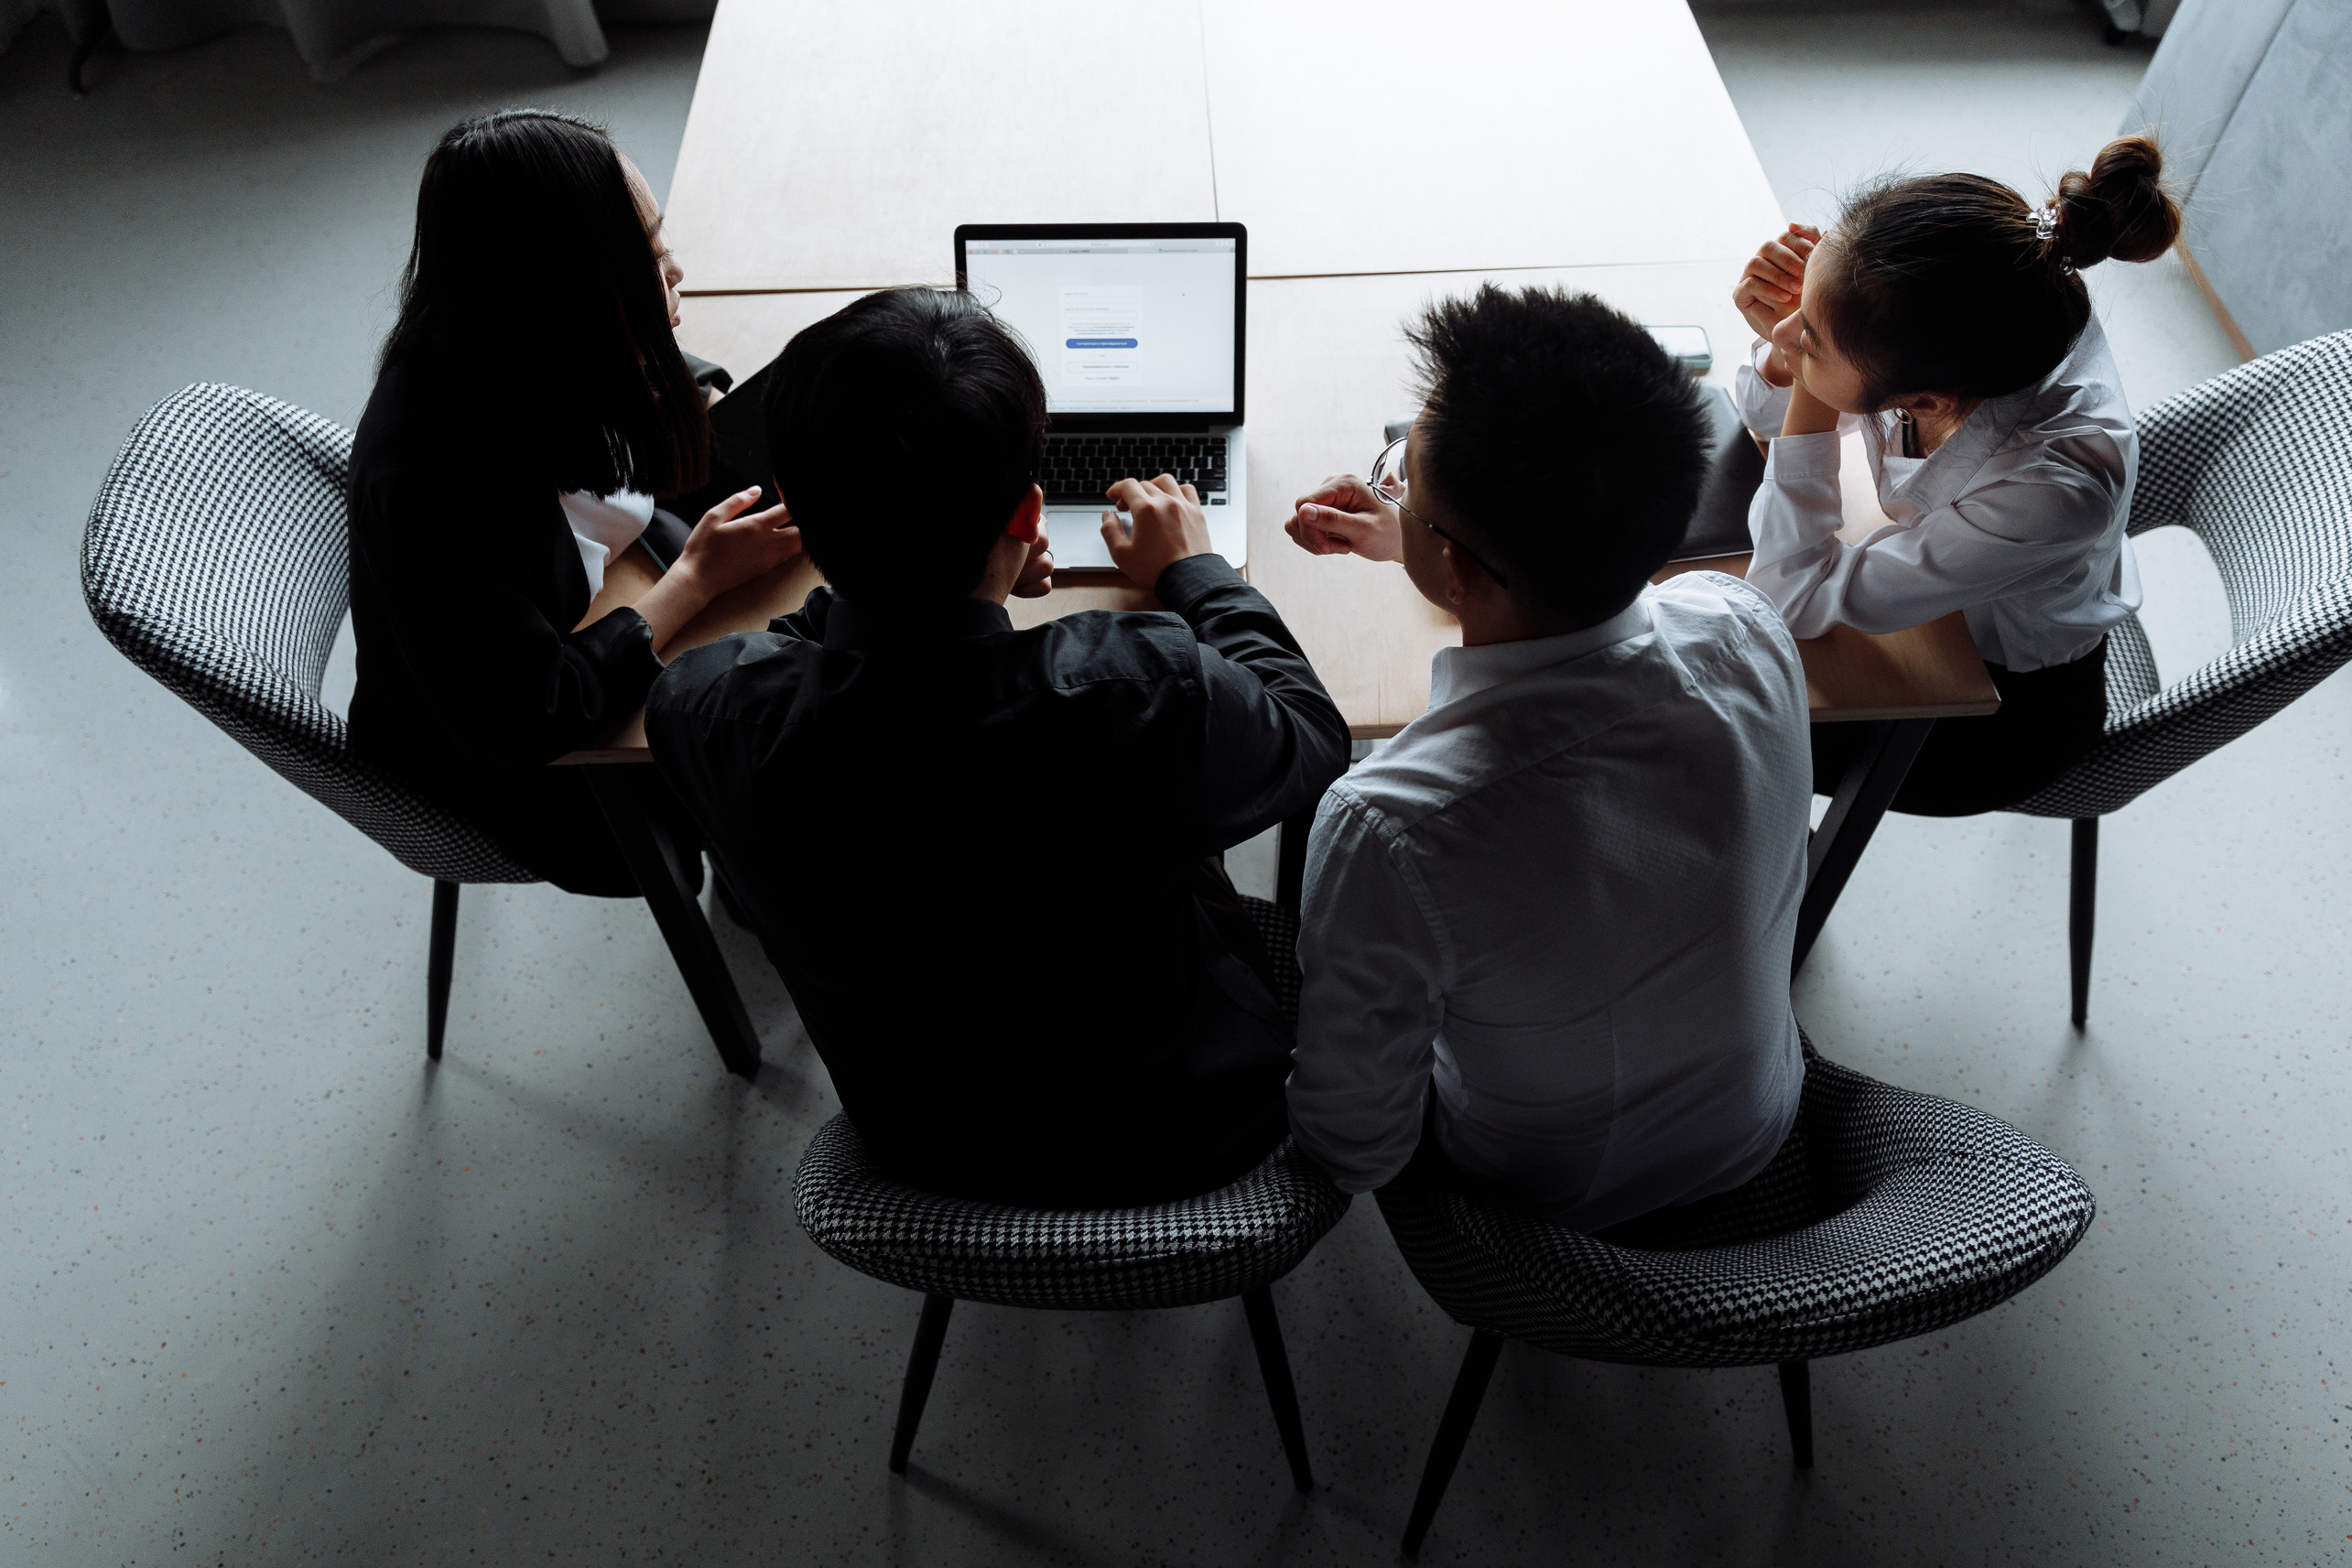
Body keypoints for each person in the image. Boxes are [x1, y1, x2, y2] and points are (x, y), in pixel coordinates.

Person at [645, 287, 1349, 1208]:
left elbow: (793, 659)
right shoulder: (1140, 685)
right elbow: (1311, 736)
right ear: (1027, 515)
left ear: (798, 515)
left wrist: (928, 594)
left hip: (923, 1149)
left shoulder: (704, 709)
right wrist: (1194, 571)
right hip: (1189, 1131)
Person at [1280, 286, 1813, 1229]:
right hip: (1757, 1125)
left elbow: (1356, 1147)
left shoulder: (1389, 824)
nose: (1394, 498)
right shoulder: (1742, 626)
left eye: (1404, 489)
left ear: (1457, 570)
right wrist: (1420, 545)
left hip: (1543, 1200)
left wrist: (1437, 553)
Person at [347, 108, 802, 895]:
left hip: (605, 595)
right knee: (805, 747)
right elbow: (537, 712)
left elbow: (652, 409)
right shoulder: (431, 486)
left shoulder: (518, 342)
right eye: (649, 257)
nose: (677, 273)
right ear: (566, 293)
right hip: (551, 777)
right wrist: (693, 581)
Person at [1730, 135, 2183, 814]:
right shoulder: (2002, 298)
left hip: (2003, 713)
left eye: (1806, 335)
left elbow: (1787, 595)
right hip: (1948, 593)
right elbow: (1761, 413)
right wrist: (1816, 325)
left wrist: (1809, 370)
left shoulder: (2052, 485)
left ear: (1928, 401)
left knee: (1717, 724)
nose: (1781, 333)